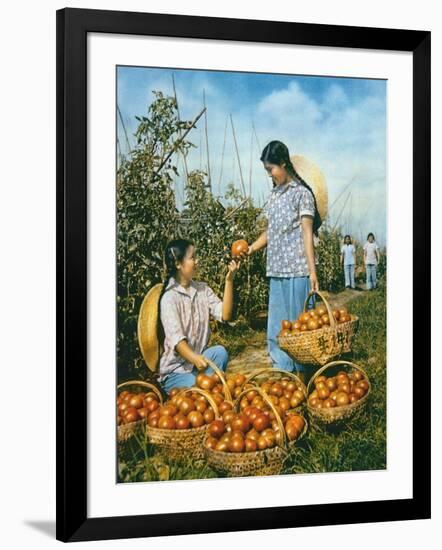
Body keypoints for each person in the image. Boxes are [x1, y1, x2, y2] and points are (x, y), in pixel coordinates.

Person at [239, 140, 321, 378]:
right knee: (278, 328)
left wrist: (312, 271)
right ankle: (284, 372)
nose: (269, 174)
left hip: (297, 269)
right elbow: (271, 231)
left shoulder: (302, 195)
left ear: (284, 164)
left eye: (271, 169)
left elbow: (307, 233)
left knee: (300, 327)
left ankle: (305, 373)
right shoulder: (274, 194)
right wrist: (251, 249)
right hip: (276, 269)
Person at [157, 238, 240, 393]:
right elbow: (177, 341)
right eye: (192, 257)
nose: (197, 261)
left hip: (197, 365)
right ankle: (201, 388)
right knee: (202, 390)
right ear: (178, 264)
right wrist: (194, 358)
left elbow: (225, 315)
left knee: (219, 352)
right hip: (176, 370)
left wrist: (229, 280)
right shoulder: (169, 298)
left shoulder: (203, 290)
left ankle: (205, 386)